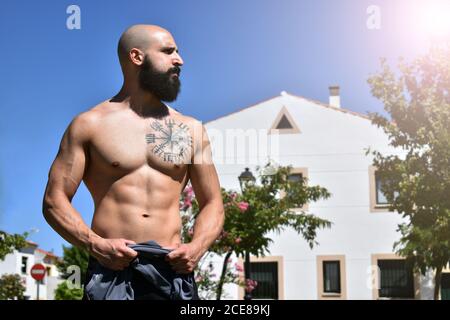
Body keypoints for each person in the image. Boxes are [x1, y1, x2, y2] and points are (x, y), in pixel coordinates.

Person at [42, 24, 224, 300]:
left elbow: (213, 203)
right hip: (112, 269)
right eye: (168, 51)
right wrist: (96, 245)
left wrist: (197, 247)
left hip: (172, 270)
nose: (180, 60)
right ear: (137, 57)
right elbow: (54, 200)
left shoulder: (191, 129)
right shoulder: (89, 125)